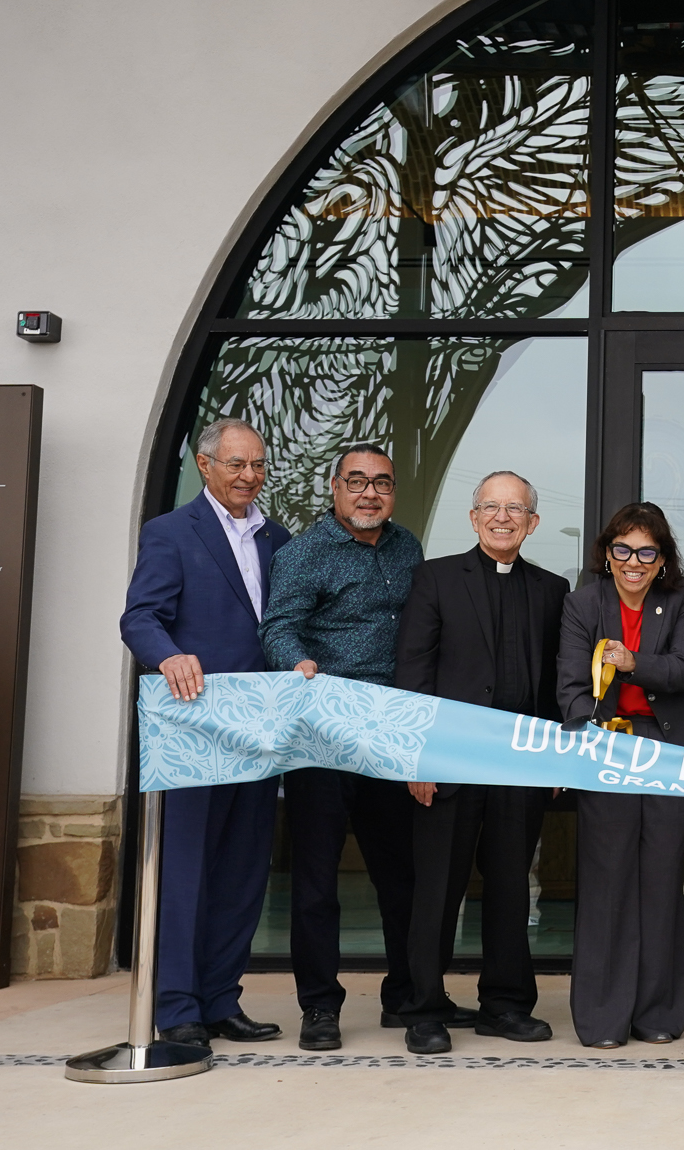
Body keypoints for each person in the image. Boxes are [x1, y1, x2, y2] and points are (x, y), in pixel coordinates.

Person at [119, 418, 291, 1046]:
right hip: (194, 729)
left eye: (258, 465)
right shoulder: (170, 532)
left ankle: (221, 999)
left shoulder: (278, 538)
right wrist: (168, 655)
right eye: (236, 464)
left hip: (261, 729)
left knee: (243, 873)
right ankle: (177, 1007)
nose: (249, 476)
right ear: (205, 464)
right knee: (186, 871)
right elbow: (140, 617)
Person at [392, 471, 568, 1055]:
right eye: (491, 507)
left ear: (532, 523)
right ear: (473, 518)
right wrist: (416, 756)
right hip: (448, 761)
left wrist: (555, 761)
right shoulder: (436, 578)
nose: (502, 518)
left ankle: (506, 1004)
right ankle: (423, 1008)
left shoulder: (552, 589)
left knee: (512, 886)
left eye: (515, 509)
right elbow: (413, 670)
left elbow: (555, 682)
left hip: (521, 764)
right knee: (437, 888)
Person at [259, 442, 423, 1051]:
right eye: (356, 481)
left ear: (393, 492)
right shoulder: (304, 553)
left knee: (401, 875)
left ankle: (405, 995)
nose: (369, 493)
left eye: (381, 482)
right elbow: (278, 626)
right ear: (335, 488)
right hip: (322, 734)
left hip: (389, 732)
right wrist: (296, 662)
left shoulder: (407, 548)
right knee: (316, 880)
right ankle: (320, 1006)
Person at [556, 502, 684, 1048]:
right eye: (622, 550)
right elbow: (571, 686)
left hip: (667, 749)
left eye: (646, 552)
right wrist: (592, 737)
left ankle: (657, 1014)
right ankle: (603, 1019)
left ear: (662, 559)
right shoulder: (582, 603)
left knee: (661, 877)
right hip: (606, 745)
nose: (633, 563)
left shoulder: (681, 597)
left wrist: (631, 663)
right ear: (607, 554)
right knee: (607, 879)